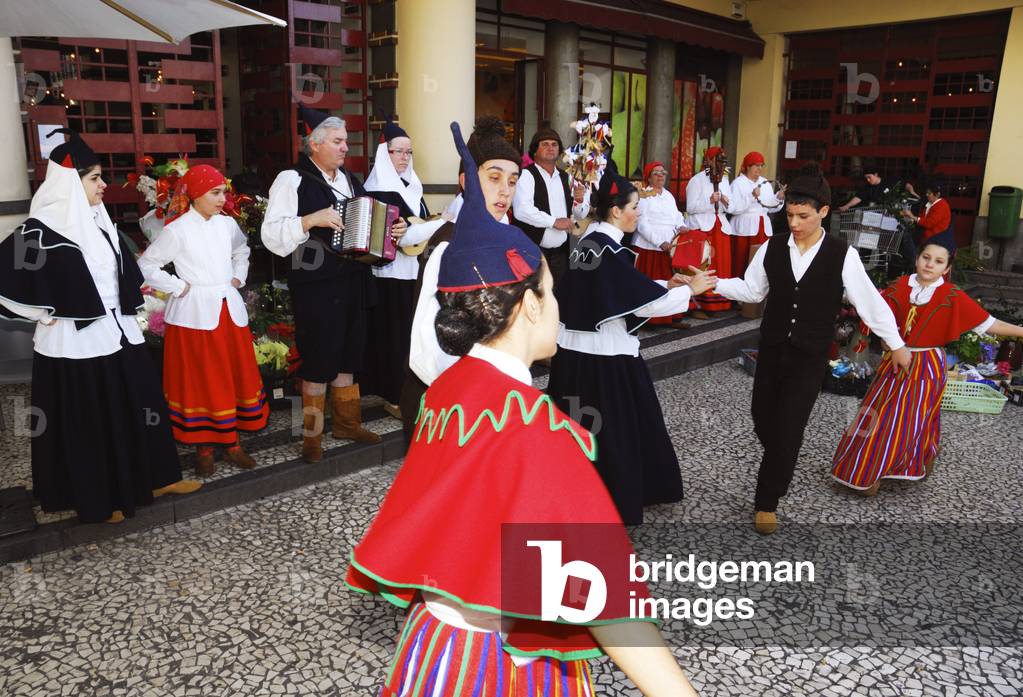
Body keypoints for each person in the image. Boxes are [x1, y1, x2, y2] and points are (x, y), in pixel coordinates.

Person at [346, 122, 700, 697]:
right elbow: (608, 599)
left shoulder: (447, 394)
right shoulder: (535, 428)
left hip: (431, 650)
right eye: (552, 292)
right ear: (530, 305)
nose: (558, 305)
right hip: (498, 663)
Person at [0, 128, 200, 524]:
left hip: (118, 330)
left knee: (141, 403)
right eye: (94, 178)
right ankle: (101, 498)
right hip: (76, 343)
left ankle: (155, 478)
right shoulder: (41, 228)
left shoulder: (99, 219)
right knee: (92, 420)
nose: (103, 185)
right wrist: (41, 313)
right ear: (70, 183)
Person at [712, 164, 911, 534]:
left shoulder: (842, 254)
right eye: (790, 215)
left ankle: (767, 501)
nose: (795, 223)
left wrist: (896, 343)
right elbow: (752, 291)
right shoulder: (772, 247)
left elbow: (870, 302)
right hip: (773, 349)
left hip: (811, 355)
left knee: (789, 426)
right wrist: (712, 283)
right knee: (762, 417)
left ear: (824, 212)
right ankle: (783, 456)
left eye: (803, 216)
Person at [547, 161, 717, 526]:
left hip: (573, 357)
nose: (639, 213)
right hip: (605, 361)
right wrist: (690, 290)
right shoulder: (606, 251)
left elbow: (621, 292)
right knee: (615, 432)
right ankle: (613, 499)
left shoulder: (589, 244)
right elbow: (642, 304)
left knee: (579, 430)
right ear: (616, 211)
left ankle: (571, 491)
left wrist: (667, 285)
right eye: (635, 207)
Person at [262, 105, 403, 462]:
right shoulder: (291, 179)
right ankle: (311, 437)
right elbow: (270, 234)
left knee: (348, 355)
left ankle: (347, 424)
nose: (345, 148)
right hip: (315, 284)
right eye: (338, 141)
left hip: (353, 279)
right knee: (318, 357)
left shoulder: (350, 181)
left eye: (345, 141)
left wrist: (393, 229)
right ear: (315, 143)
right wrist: (309, 220)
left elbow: (368, 225)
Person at [832, 238, 1023, 495]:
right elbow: (875, 312)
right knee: (878, 411)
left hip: (927, 364)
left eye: (939, 261)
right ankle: (912, 455)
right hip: (894, 361)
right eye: (926, 257)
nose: (930, 264)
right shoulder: (900, 286)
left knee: (906, 417)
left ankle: (870, 473)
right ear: (917, 259)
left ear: (947, 268)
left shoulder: (951, 296)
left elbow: (990, 324)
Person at [138, 164, 269, 475]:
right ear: (196, 195)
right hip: (193, 317)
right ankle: (204, 449)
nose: (223, 198)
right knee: (201, 381)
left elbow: (242, 251)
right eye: (215, 193)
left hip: (227, 313)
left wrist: (237, 277)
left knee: (231, 376)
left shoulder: (227, 225)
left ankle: (232, 443)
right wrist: (178, 286)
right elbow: (146, 265)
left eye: (223, 192)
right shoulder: (177, 230)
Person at [399, 115, 521, 441]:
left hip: (494, 394)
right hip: (451, 402)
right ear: (466, 180)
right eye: (494, 177)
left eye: (512, 181)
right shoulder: (448, 246)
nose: (504, 190)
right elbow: (427, 340)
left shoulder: (510, 242)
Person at [360, 119, 444, 420]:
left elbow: (415, 228)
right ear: (385, 154)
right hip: (388, 275)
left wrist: (432, 224)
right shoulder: (378, 190)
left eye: (409, 152)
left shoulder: (412, 187)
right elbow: (402, 237)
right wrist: (442, 222)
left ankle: (410, 392)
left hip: (412, 273)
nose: (405, 158)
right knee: (395, 337)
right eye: (398, 152)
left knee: (411, 334)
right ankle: (395, 396)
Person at [511, 124, 588, 287]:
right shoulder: (526, 175)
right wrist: (553, 222)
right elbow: (521, 210)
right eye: (545, 144)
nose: (550, 148)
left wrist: (580, 202)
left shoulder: (566, 177)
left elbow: (579, 215)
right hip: (533, 251)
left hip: (561, 253)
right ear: (535, 151)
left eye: (554, 144)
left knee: (559, 294)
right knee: (534, 294)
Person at [635, 161, 690, 328]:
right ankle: (648, 319)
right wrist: (659, 242)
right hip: (649, 247)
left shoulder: (668, 195)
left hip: (669, 247)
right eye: (656, 173)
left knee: (671, 282)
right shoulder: (644, 196)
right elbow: (641, 224)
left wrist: (681, 226)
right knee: (651, 283)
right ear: (648, 177)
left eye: (663, 172)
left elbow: (676, 216)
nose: (660, 176)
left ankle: (669, 317)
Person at [684, 146, 733, 313]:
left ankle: (720, 302)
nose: (721, 164)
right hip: (703, 227)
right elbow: (690, 208)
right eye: (718, 160)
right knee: (704, 264)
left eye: (723, 161)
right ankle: (701, 304)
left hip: (720, 226)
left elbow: (732, 206)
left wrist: (726, 202)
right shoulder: (696, 180)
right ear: (710, 161)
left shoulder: (724, 180)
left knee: (720, 264)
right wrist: (709, 201)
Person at [728, 151, 784, 277]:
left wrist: (778, 198)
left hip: (762, 228)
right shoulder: (738, 183)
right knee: (741, 260)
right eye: (756, 165)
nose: (759, 168)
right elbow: (734, 209)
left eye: (761, 165)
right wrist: (751, 196)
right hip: (744, 228)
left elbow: (770, 208)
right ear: (748, 166)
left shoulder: (765, 183)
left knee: (761, 260)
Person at [901, 178, 952, 247]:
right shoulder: (931, 203)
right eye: (927, 192)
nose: (927, 194)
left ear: (937, 194)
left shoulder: (941, 205)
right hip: (926, 237)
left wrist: (913, 216)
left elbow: (929, 223)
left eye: (929, 193)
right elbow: (922, 216)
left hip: (935, 240)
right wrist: (912, 219)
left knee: (908, 240)